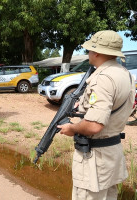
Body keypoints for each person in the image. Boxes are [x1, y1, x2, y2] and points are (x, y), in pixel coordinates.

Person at [57, 30, 135, 200]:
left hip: (95, 159)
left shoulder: (102, 78)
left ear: (97, 51)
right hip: (111, 153)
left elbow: (94, 125)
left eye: (90, 49)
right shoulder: (125, 74)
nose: (88, 53)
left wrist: (72, 128)